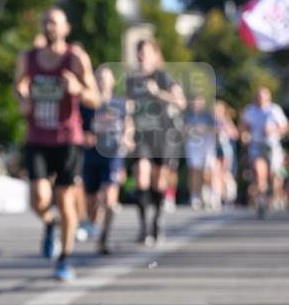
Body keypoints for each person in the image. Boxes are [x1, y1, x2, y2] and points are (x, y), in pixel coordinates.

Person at [14, 7, 99, 280]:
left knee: (64, 199)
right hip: (38, 136)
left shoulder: (75, 58)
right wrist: (23, 99)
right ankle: (50, 224)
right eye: (46, 22)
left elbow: (95, 98)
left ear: (66, 28)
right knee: (38, 198)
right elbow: (18, 86)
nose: (49, 26)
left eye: (54, 22)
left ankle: (65, 258)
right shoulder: (28, 58)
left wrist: (79, 90)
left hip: (67, 138)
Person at [126, 39, 186, 245]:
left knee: (160, 180)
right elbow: (128, 108)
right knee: (141, 175)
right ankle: (143, 227)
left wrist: (158, 93)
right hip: (142, 134)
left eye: (145, 52)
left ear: (154, 54)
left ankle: (157, 222)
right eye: (139, 52)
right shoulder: (132, 80)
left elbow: (181, 102)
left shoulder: (164, 77)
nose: (142, 56)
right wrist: (127, 131)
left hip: (162, 134)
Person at [82, 65, 132, 254]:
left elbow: (128, 125)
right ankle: (94, 225)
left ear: (112, 82)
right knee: (91, 201)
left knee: (110, 197)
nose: (102, 82)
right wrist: (84, 137)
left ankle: (105, 236)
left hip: (112, 154)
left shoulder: (120, 104)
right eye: (99, 78)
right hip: (91, 155)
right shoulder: (87, 105)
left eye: (106, 78)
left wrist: (127, 137)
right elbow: (79, 127)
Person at [241, 87, 289, 218]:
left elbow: (285, 126)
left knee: (275, 175)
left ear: (269, 98)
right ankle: (261, 202)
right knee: (259, 172)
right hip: (256, 145)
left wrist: (273, 131)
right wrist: (245, 136)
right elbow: (244, 128)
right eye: (258, 97)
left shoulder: (274, 110)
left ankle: (274, 196)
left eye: (263, 97)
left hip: (272, 146)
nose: (260, 100)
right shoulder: (250, 110)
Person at [184, 93, 217, 209]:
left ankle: (209, 194)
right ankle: (195, 195)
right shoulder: (188, 116)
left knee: (208, 172)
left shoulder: (208, 116)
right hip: (193, 147)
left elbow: (216, 129)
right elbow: (183, 129)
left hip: (207, 147)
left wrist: (205, 128)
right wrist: (191, 129)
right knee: (195, 171)